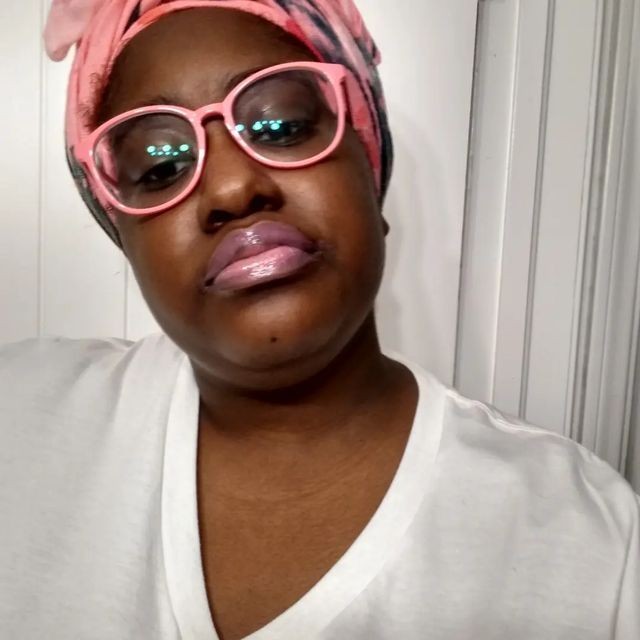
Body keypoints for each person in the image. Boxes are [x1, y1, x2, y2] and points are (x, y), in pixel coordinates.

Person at [0, 1, 638, 639]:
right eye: (162, 165)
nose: (232, 188)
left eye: (280, 125)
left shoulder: (592, 544)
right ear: (127, 243)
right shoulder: (19, 411)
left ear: (370, 168)